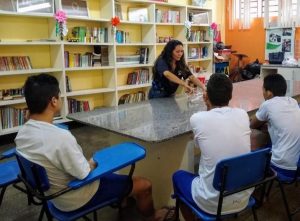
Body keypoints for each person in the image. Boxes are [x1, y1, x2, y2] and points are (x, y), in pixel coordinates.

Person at [15, 74, 175, 221]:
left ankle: (124, 199)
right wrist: (91, 163)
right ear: (54, 101)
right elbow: (83, 173)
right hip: (77, 196)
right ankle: (153, 216)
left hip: (52, 197)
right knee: (145, 185)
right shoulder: (60, 138)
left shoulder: (21, 135)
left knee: (114, 174)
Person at [172, 74, 253, 220]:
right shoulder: (243, 114)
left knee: (178, 176)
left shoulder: (197, 118)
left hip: (212, 203)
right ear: (230, 95)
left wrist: (208, 106)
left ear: (206, 96)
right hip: (243, 196)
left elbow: (200, 144)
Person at [250, 74, 300, 175]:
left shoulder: (268, 105)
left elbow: (252, 124)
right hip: (297, 166)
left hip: (282, 167)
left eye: (263, 89)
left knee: (253, 140)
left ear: (269, 93)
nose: (262, 93)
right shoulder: (293, 101)